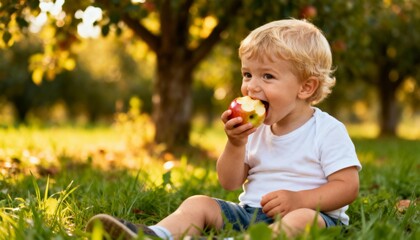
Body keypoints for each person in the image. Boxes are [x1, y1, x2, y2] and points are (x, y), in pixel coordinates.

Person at [85, 18, 361, 239]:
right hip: (250, 213)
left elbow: (347, 187)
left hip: (314, 216)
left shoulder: (326, 130)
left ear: (305, 87)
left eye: (267, 76)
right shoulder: (256, 130)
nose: (252, 86)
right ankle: (158, 234)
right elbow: (229, 183)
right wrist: (235, 144)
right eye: (247, 74)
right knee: (199, 203)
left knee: (300, 221)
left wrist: (300, 200)